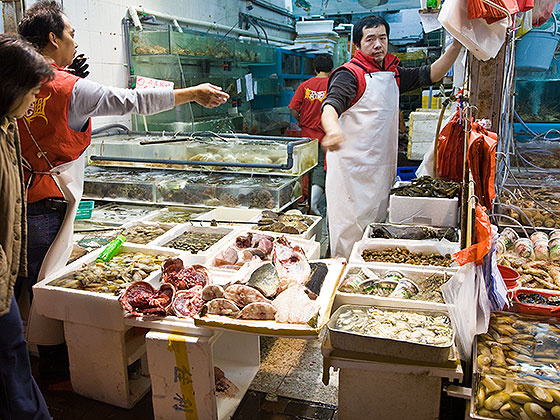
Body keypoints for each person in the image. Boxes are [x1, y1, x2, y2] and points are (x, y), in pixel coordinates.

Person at [16, 0, 229, 379]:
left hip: (15, 197)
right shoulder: (68, 87)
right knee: (46, 283)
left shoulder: (13, 80)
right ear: (52, 38)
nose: (74, 42)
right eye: (70, 34)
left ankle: (30, 359)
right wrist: (190, 93)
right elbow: (131, 101)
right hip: (46, 201)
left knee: (25, 281)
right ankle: (48, 371)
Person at [321, 16, 462, 258]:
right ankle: (341, 282)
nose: (378, 44)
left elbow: (433, 73)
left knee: (375, 230)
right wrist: (332, 129)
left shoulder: (392, 72)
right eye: (370, 39)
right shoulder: (349, 75)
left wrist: (457, 46)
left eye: (382, 38)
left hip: (380, 170)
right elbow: (330, 106)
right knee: (348, 231)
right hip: (350, 174)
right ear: (357, 45)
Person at [0, 33, 54, 420]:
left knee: (15, 366)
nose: (36, 99)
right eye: (33, 90)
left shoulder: (6, 126)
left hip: (5, 286)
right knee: (11, 376)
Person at [289, 54, 333, 216]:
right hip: (325, 135)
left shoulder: (305, 86)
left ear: (315, 68)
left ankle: (300, 198)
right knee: (321, 167)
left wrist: (300, 120)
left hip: (306, 135)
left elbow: (293, 107)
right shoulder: (334, 85)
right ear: (331, 69)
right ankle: (314, 203)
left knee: (303, 167)